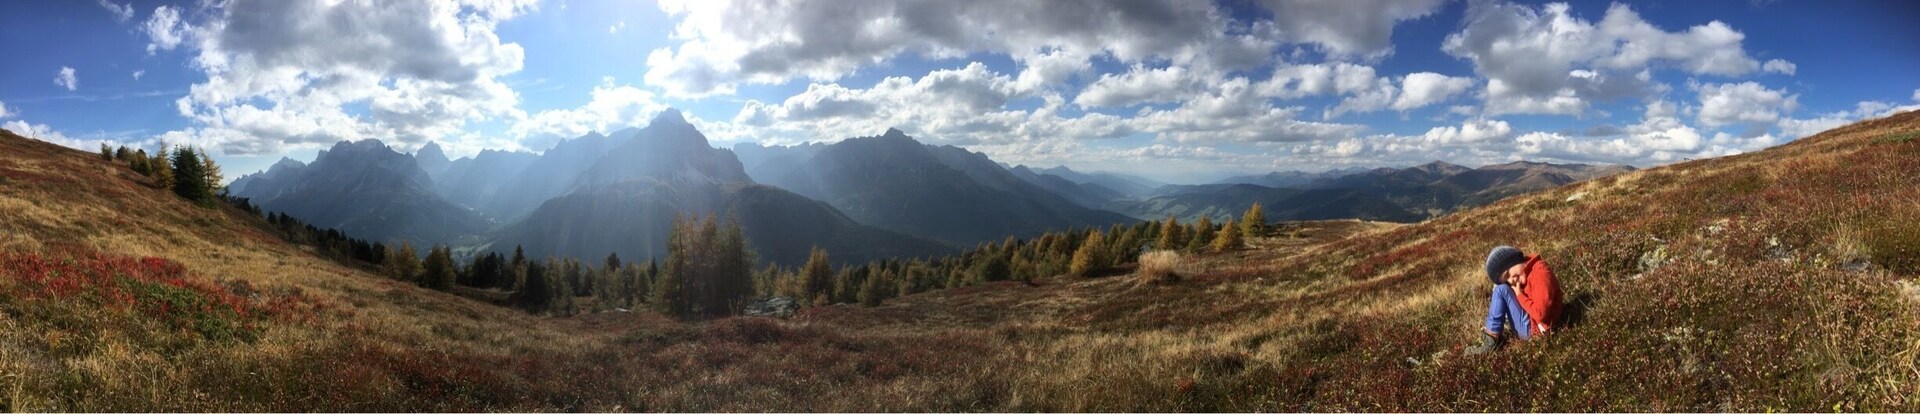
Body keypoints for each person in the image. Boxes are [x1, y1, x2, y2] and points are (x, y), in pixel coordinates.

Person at [1465, 245, 1563, 355]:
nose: (1511, 280)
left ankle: (1491, 339)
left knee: (1501, 290)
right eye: (1507, 279)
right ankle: (1499, 331)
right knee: (1499, 286)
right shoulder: (1527, 272)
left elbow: (1541, 314)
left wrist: (1519, 295)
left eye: (1508, 274)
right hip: (1532, 321)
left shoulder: (1540, 273)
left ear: (1513, 261)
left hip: (1535, 329)